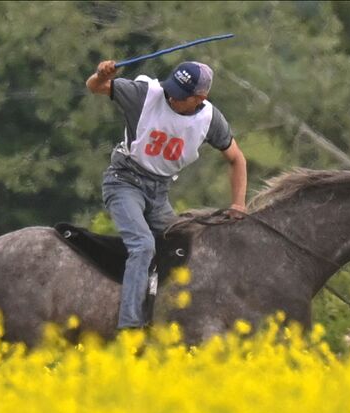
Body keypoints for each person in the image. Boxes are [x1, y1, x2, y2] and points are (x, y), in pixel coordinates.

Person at [86, 58, 247, 331]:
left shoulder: (210, 120)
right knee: (143, 245)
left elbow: (237, 159)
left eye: (181, 95)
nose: (172, 96)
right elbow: (94, 87)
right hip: (124, 182)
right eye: (172, 88)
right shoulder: (145, 94)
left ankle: (179, 314)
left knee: (189, 246)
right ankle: (130, 326)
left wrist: (238, 204)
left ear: (200, 98)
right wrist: (101, 74)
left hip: (159, 195)